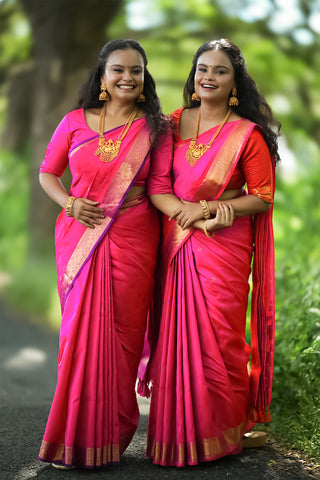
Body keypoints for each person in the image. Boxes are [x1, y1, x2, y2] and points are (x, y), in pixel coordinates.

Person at [38, 39, 173, 470]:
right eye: (118, 70)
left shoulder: (156, 129)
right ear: (102, 77)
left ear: (145, 76)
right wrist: (70, 203)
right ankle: (72, 437)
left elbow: (164, 186)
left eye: (136, 70)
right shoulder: (75, 122)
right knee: (79, 335)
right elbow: (48, 173)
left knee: (124, 339)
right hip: (80, 236)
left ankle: (108, 439)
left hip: (135, 236)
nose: (127, 78)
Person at [145, 38, 281, 467]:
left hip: (224, 245)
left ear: (234, 81)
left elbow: (261, 196)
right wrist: (190, 215)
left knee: (221, 339)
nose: (209, 77)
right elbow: (156, 187)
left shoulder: (247, 134)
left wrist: (207, 210)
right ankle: (176, 434)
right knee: (175, 338)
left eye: (220, 71)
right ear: (193, 74)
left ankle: (221, 434)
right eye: (203, 68)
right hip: (179, 242)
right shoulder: (170, 123)